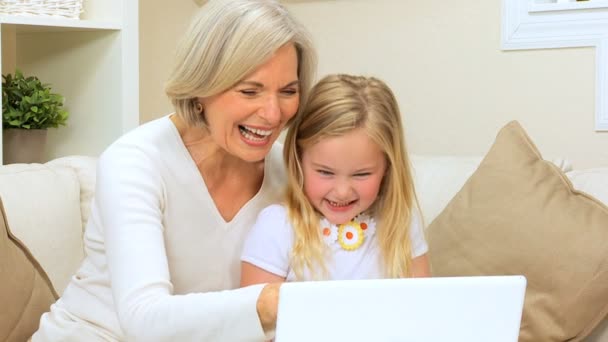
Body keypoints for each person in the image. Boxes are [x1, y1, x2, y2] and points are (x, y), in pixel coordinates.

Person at [32, 0, 316, 341]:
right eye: (249, 91)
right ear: (201, 87)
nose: (272, 114)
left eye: (288, 91)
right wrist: (270, 303)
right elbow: (143, 317)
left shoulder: (289, 172)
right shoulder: (136, 161)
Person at [240, 74, 430, 285]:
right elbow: (255, 313)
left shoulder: (399, 222)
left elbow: (422, 306)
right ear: (299, 159)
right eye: (325, 172)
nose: (342, 191)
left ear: (387, 167)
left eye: (361, 174)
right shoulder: (278, 226)